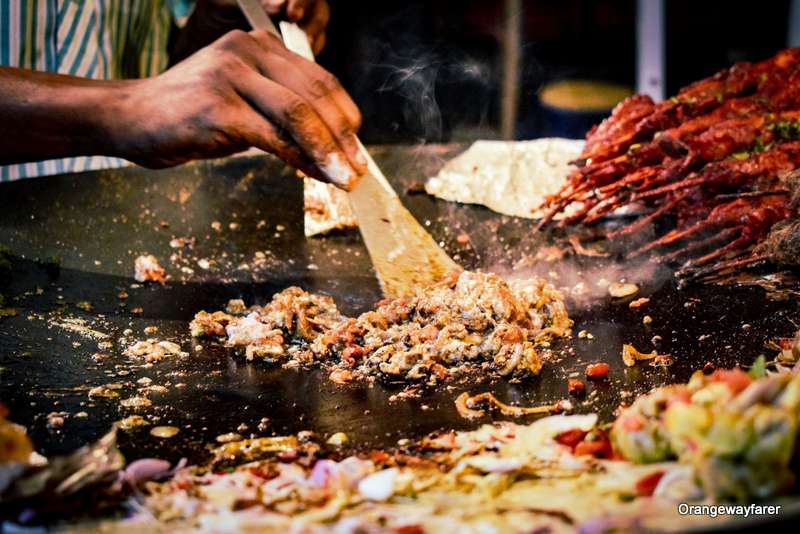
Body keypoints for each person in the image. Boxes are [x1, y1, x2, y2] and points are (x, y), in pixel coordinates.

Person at [0, 0, 366, 189]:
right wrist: (126, 108)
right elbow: (154, 101)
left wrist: (216, 18)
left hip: (138, 202)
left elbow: (177, 79)